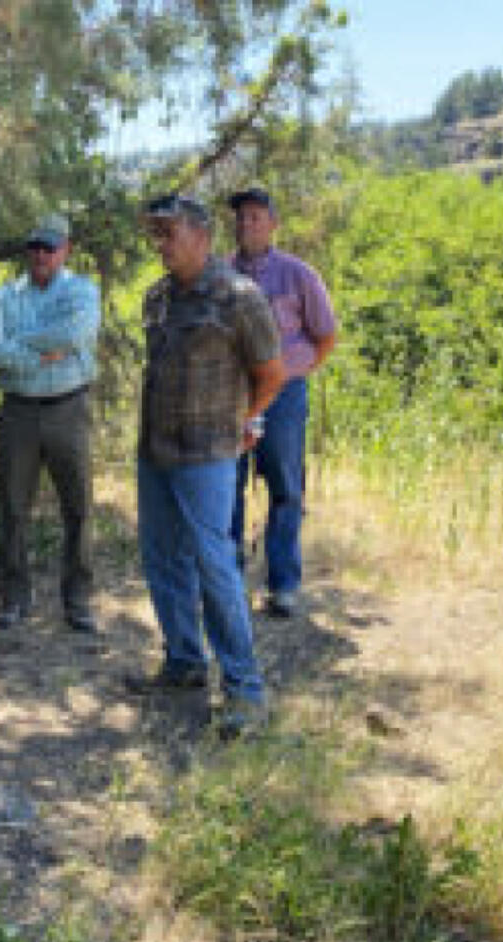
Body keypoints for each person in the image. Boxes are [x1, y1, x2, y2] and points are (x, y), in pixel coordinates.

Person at [127, 192, 286, 736]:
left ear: (202, 236)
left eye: (169, 233)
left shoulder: (239, 298)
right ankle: (184, 661)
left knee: (215, 566)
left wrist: (250, 421)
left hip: (208, 456)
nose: (161, 244)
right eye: (157, 234)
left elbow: (272, 372)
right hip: (156, 452)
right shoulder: (159, 298)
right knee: (161, 558)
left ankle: (245, 690)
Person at [0, 214, 101, 632]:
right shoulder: (6, 296)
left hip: (69, 407)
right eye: (35, 247)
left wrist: (18, 342)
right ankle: (14, 599)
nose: (41, 255)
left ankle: (78, 601)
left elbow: (76, 331)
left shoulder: (82, 290)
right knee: (13, 509)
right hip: (19, 412)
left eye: (50, 247)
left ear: (65, 249)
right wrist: (36, 354)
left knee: (78, 508)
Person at [228, 187, 337, 617]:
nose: (246, 224)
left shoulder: (298, 275)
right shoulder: (220, 274)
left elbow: (325, 334)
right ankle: (229, 582)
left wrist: (295, 370)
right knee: (227, 486)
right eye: (240, 218)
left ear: (273, 223)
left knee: (286, 486)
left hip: (285, 394)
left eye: (255, 216)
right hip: (233, 394)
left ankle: (284, 584)